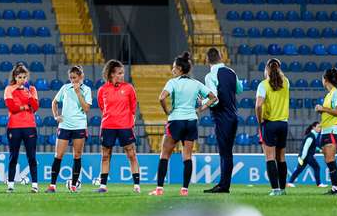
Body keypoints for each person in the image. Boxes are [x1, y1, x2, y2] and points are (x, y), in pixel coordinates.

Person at [155, 52, 216, 196]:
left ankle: (159, 189)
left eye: (174, 68)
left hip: (176, 120)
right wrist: (201, 108)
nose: (172, 70)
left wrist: (167, 111)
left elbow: (161, 97)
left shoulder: (173, 82)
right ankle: (184, 190)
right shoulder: (196, 84)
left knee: (165, 154)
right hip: (191, 121)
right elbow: (213, 97)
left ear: (180, 69)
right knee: (187, 156)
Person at [96, 59, 140, 193]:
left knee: (131, 154)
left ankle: (136, 185)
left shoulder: (128, 88)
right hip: (108, 126)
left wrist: (129, 121)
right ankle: (103, 186)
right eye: (119, 73)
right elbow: (102, 107)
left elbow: (133, 107)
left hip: (125, 126)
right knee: (105, 155)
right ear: (111, 74)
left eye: (122, 73)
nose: (122, 75)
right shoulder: (102, 90)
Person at [202, 47, 241, 193]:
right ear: (221, 56)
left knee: (224, 152)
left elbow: (215, 99)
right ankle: (224, 184)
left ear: (207, 60)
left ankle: (224, 186)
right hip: (233, 115)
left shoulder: (210, 76)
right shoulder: (231, 72)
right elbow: (240, 89)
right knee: (228, 152)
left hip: (222, 116)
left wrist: (203, 102)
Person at [49, 65, 91, 193]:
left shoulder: (86, 90)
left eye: (75, 77)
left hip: (79, 126)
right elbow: (54, 102)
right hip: (65, 126)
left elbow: (86, 109)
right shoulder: (65, 88)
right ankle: (52, 185)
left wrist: (78, 92)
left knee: (77, 155)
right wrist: (56, 116)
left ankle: (73, 186)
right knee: (58, 155)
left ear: (81, 77)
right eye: (71, 78)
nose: (73, 80)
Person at [256, 58, 290, 196]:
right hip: (283, 123)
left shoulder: (263, 85)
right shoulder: (286, 82)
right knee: (281, 157)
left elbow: (258, 105)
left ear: (267, 69)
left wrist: (260, 121)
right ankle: (282, 189)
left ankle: (275, 189)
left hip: (269, 123)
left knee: (269, 157)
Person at [3, 63, 39, 193]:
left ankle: (35, 185)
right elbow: (11, 107)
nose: (22, 80)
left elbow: (35, 107)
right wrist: (24, 107)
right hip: (14, 127)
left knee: (32, 157)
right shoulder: (9, 89)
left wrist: (30, 96)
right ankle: (11, 185)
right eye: (19, 77)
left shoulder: (32, 90)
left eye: (24, 77)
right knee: (13, 156)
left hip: (30, 126)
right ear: (15, 77)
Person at [315, 67, 337, 195]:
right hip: (327, 129)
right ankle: (335, 188)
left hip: (334, 129)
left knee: (330, 159)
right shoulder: (330, 94)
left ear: (326, 79)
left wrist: (323, 109)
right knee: (328, 159)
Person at [286, 122, 325, 188]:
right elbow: (305, 148)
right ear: (313, 127)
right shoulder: (311, 136)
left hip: (305, 156)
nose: (320, 128)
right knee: (317, 167)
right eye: (318, 127)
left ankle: (290, 182)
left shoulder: (313, 136)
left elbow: (312, 147)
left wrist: (320, 150)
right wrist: (302, 158)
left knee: (299, 169)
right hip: (307, 156)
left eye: (320, 127)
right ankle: (319, 184)